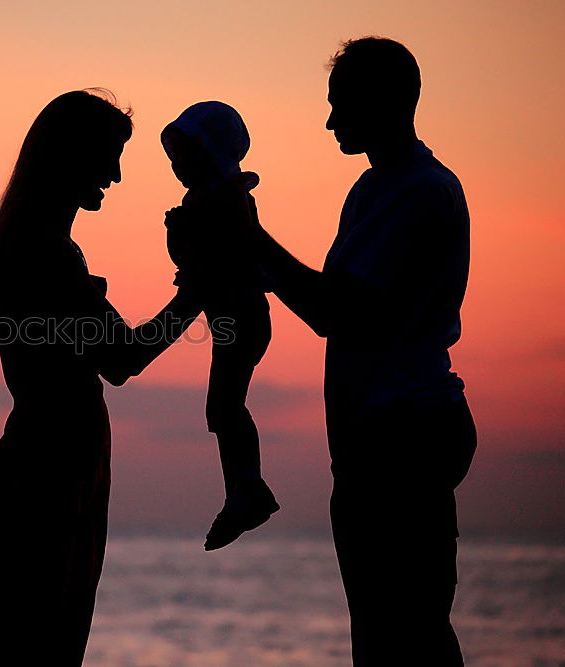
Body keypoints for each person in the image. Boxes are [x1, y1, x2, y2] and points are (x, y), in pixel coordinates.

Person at [239, 38, 476, 664]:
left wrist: (251, 236)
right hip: (379, 435)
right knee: (385, 630)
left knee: (405, 631)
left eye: (340, 105)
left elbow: (335, 311)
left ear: (383, 103)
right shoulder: (374, 189)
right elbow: (329, 299)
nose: (330, 121)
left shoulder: (421, 191)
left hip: (404, 434)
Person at [0, 89, 204, 666]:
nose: (115, 176)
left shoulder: (44, 251)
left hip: (56, 463)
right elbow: (123, 358)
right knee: (31, 640)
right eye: (108, 156)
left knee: (17, 634)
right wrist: (197, 291)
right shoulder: (49, 256)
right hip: (53, 468)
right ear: (70, 156)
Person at [160, 102, 279, 551]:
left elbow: (225, 258)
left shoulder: (228, 201)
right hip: (228, 317)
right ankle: (245, 489)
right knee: (224, 405)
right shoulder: (203, 202)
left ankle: (248, 490)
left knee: (225, 405)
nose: (178, 169)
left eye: (186, 157)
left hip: (243, 316)